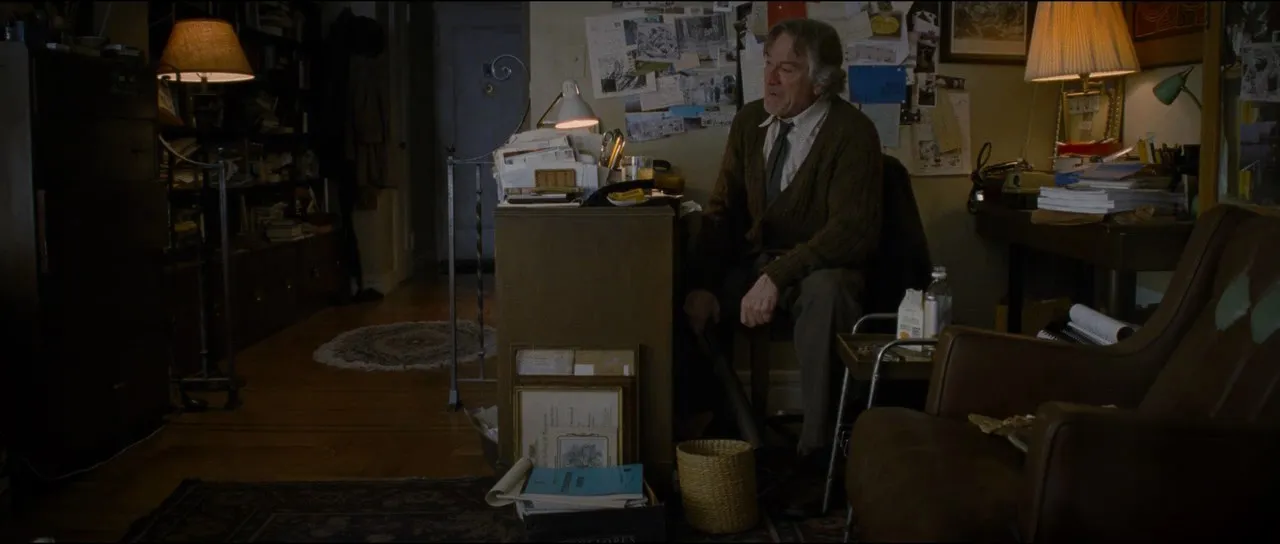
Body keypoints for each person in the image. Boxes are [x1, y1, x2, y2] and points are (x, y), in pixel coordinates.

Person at [683, 17, 884, 511]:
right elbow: (723, 211)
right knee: (681, 301)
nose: (770, 79)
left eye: (787, 69)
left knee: (829, 293)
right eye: (768, 65)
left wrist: (778, 275)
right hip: (757, 266)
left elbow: (852, 231)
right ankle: (731, 433)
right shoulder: (749, 122)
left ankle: (819, 456)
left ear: (821, 80)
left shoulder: (853, 132)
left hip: (818, 268)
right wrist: (701, 283)